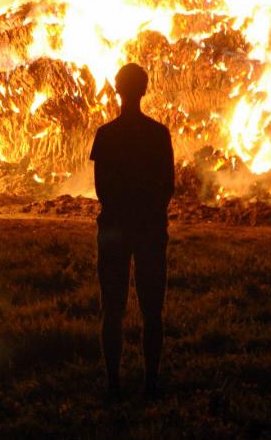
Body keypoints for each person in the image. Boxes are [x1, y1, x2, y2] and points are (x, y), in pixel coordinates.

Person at [90, 63, 175, 398]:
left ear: (116, 88)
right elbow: (167, 184)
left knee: (113, 309)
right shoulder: (158, 134)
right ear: (145, 89)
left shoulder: (106, 135)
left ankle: (113, 382)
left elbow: (101, 188)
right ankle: (150, 382)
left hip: (114, 228)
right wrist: (151, 213)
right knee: (152, 309)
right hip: (150, 228)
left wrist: (120, 211)